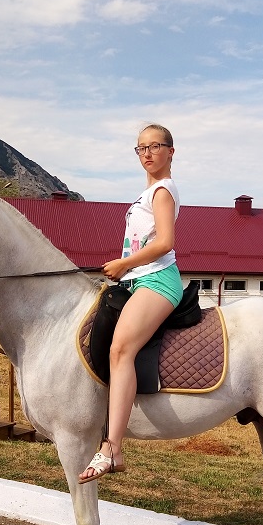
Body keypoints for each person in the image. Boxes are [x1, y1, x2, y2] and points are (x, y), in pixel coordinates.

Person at [79, 124, 183, 483]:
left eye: (155, 146)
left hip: (158, 280)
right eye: (141, 148)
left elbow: (165, 242)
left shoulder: (163, 191)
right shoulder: (147, 193)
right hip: (138, 279)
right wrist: (124, 270)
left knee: (121, 350)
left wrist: (125, 264)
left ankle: (113, 448)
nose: (148, 153)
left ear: (170, 151)